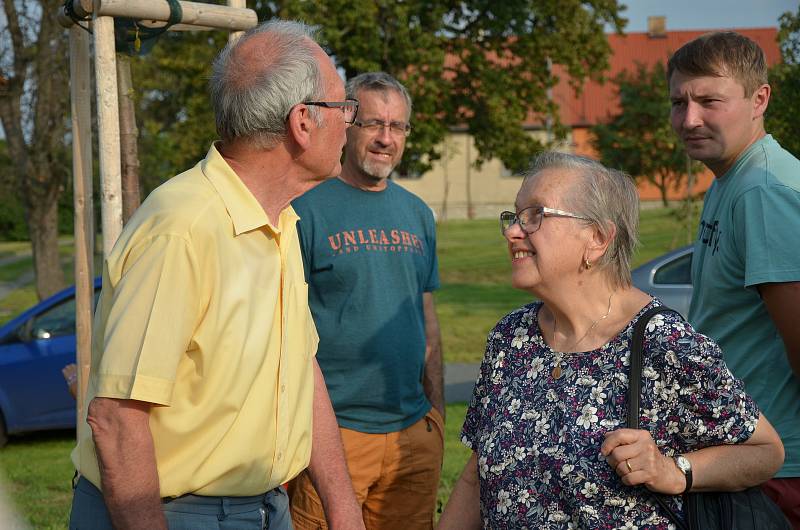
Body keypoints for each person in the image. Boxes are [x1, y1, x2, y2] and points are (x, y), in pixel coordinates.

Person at [68, 20, 365, 530]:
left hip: (263, 507)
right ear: (303, 122)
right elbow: (116, 420)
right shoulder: (182, 229)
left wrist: (344, 511)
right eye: (344, 108)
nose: (351, 123)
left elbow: (299, 369)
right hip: (172, 513)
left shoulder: (281, 219)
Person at [437, 152, 785, 529]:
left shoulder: (664, 344)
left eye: (535, 215)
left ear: (598, 238)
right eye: (514, 216)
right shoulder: (511, 339)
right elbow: (476, 479)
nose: (512, 231)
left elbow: (765, 452)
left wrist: (674, 471)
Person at [288, 72, 444, 529]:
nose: (385, 138)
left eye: (397, 127)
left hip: (411, 435)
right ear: (348, 123)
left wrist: (435, 414)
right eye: (374, 124)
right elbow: (283, 324)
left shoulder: (417, 214)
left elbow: (426, 318)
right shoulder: (305, 207)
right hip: (333, 435)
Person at [668, 31, 800, 525]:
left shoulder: (762, 191)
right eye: (679, 102)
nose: (689, 119)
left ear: (759, 99)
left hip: (776, 465)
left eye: (709, 100)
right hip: (739, 453)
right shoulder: (731, 179)